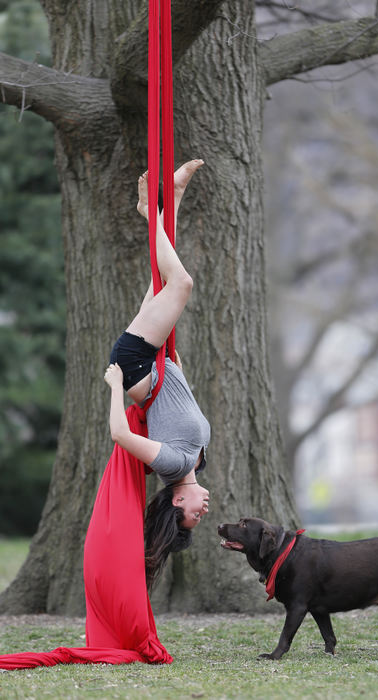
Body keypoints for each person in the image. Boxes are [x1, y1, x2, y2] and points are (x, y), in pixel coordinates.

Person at [105, 159, 210, 589]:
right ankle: (173, 199)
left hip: (134, 365)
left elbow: (122, 436)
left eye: (191, 515)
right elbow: (180, 409)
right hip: (160, 365)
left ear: (176, 502)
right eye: (200, 517)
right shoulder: (199, 458)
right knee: (163, 274)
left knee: (180, 283)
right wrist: (177, 374)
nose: (201, 513)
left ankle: (152, 213)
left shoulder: (173, 466)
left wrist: (115, 388)